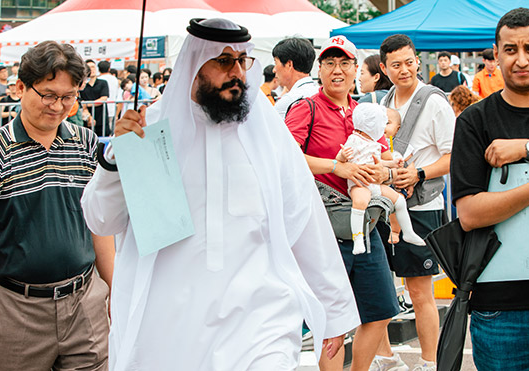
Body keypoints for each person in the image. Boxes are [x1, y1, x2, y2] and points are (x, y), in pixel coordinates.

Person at [80, 18, 359, 370]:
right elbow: (101, 218)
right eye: (224, 61)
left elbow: (304, 220)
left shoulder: (266, 133)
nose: (237, 72)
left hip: (261, 320)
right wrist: (116, 159)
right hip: (171, 327)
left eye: (243, 61)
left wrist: (334, 308)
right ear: (195, 66)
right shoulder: (149, 132)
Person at [286, 35, 401, 371]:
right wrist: (338, 166)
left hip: (363, 227)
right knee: (332, 324)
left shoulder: (364, 111)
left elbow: (383, 154)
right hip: (322, 228)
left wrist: (383, 170)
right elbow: (285, 157)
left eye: (345, 63)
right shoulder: (306, 107)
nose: (337, 70)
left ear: (356, 69)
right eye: (330, 63)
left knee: (381, 311)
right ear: (319, 70)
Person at [0, 40, 113, 371]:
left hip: (85, 300)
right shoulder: (2, 149)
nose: (57, 106)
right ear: (20, 88)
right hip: (17, 309)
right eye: (48, 94)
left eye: (68, 97)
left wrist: (113, 289)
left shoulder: (86, 144)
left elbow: (99, 223)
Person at [451, 8, 529, 370]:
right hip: (502, 313)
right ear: (496, 55)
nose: (521, 59)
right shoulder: (473, 122)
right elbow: (469, 214)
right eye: (510, 50)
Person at [378, 34, 456, 371]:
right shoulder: (381, 105)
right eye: (396, 64)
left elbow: (455, 155)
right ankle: (384, 357)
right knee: (378, 288)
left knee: (420, 292)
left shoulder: (434, 102)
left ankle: (429, 362)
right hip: (381, 209)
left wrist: (420, 173)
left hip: (422, 208)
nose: (405, 69)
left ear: (417, 61)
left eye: (409, 62)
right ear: (384, 68)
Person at [338, 103, 425, 254]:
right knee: (360, 202)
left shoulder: (374, 143)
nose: (383, 128)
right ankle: (358, 238)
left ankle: (408, 232)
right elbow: (340, 159)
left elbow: (378, 161)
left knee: (399, 200)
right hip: (360, 184)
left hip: (374, 184)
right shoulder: (355, 140)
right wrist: (343, 156)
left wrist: (392, 163)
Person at [272, 37, 319, 118]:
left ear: (289, 64)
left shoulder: (288, 101)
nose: (274, 70)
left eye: (276, 62)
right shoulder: (321, 93)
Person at [80, 59, 109, 136]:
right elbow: (81, 101)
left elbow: (103, 98)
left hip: (101, 116)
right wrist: (88, 115)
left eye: (93, 67)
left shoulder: (103, 83)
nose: (91, 69)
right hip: (87, 118)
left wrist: (86, 104)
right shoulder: (82, 85)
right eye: (89, 67)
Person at [98, 60, 119, 132]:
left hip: (101, 108)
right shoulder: (115, 79)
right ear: (109, 69)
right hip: (112, 106)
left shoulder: (99, 79)